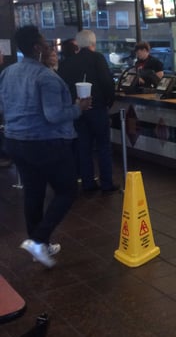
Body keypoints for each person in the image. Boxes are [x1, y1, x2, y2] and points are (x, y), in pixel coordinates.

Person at [0, 26, 92, 267]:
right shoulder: (46, 77)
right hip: (45, 143)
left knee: (34, 192)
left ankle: (39, 245)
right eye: (46, 44)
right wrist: (78, 108)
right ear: (37, 48)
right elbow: (53, 116)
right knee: (67, 190)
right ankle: (39, 240)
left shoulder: (7, 73)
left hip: (15, 141)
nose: (50, 48)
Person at [57, 30, 118, 193]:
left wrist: (75, 105)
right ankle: (106, 183)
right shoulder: (97, 58)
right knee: (103, 146)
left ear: (77, 43)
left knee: (83, 147)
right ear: (93, 43)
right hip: (97, 109)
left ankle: (88, 184)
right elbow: (107, 83)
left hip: (77, 111)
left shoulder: (67, 63)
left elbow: (63, 88)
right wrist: (108, 103)